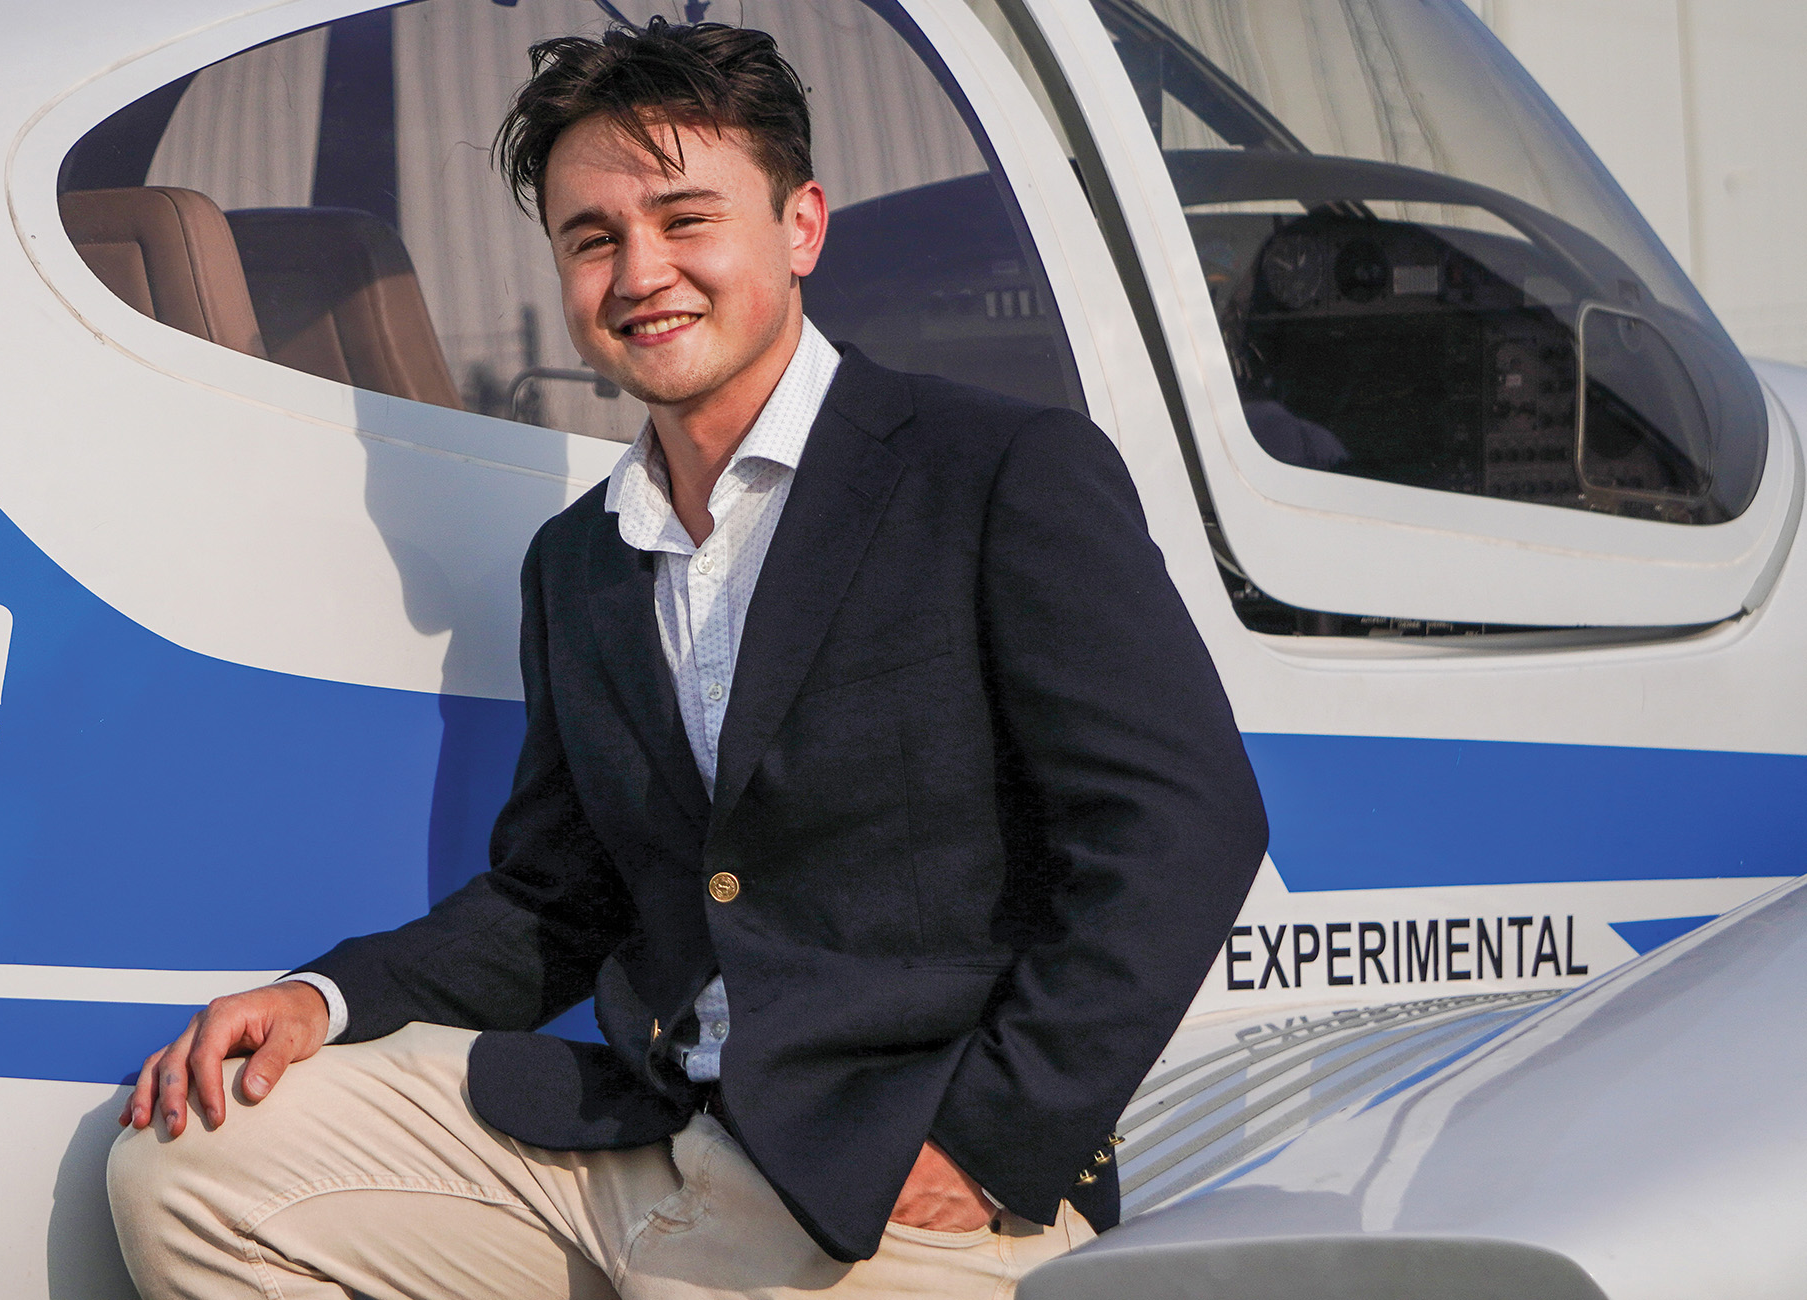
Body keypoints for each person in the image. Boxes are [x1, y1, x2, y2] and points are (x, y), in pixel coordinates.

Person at [106, 19, 1266, 1299]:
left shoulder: (998, 472)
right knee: (195, 1168)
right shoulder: (578, 560)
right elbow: (556, 902)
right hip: (641, 1134)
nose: (639, 271)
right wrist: (323, 998)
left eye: (684, 219)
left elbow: (1184, 824)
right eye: (591, 238)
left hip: (886, 1186)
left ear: (801, 226)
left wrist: (989, 1145)